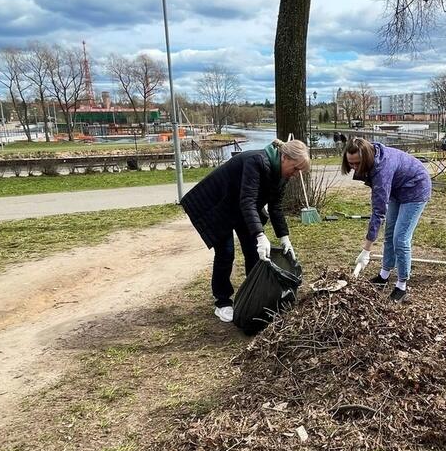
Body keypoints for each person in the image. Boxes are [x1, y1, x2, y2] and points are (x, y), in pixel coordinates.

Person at [181, 138, 311, 323]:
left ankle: (253, 295)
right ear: (285, 158)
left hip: (239, 207)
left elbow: (276, 207)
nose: (297, 174)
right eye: (296, 168)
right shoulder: (256, 161)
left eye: (300, 171)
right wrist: (260, 235)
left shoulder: (282, 176)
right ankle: (222, 302)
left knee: (253, 252)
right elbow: (248, 201)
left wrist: (284, 238)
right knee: (226, 253)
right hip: (215, 204)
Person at [342, 137, 431, 302]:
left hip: (416, 188)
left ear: (367, 158)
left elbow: (378, 211)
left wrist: (366, 249)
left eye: (357, 163)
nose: (354, 168)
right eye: (351, 164)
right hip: (397, 190)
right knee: (390, 233)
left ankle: (402, 285)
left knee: (400, 238)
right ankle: (384, 275)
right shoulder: (372, 158)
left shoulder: (382, 168)